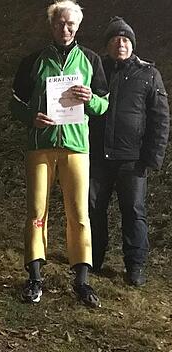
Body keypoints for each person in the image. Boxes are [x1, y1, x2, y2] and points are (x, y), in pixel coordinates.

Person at [10, 0, 109, 307]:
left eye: (70, 24)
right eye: (59, 23)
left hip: (76, 146)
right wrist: (31, 117)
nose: (65, 29)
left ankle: (81, 280)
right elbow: (15, 102)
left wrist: (90, 98)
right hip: (40, 146)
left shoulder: (91, 59)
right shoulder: (33, 60)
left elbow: (103, 105)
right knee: (37, 213)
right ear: (51, 25)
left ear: (78, 27)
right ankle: (35, 278)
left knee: (79, 214)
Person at [88, 16, 169, 286]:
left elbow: (160, 119)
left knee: (133, 210)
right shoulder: (96, 69)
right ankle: (93, 260)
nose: (120, 43)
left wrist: (152, 157)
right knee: (92, 208)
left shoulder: (149, 74)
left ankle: (135, 266)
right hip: (97, 156)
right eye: (114, 39)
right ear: (107, 45)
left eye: (125, 39)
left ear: (132, 44)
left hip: (132, 160)